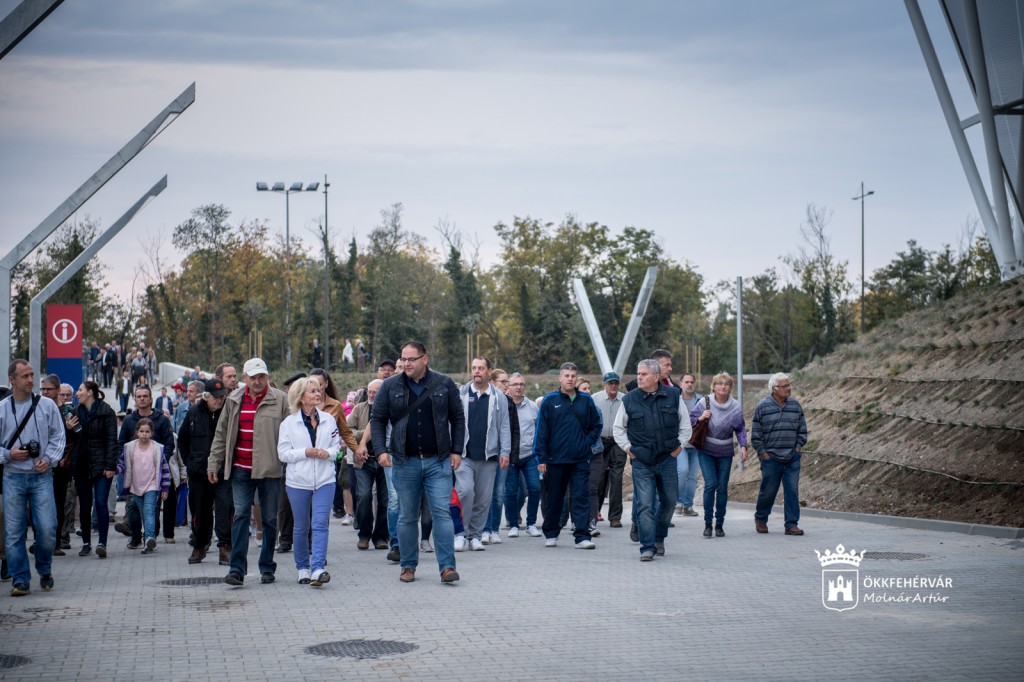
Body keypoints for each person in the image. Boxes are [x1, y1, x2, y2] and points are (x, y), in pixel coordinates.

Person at [369, 341, 464, 584]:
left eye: (411, 359)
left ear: (425, 359)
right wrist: (380, 450)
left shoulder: (444, 383)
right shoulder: (390, 386)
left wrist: (457, 450)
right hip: (404, 462)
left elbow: (457, 417)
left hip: (438, 461)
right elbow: (377, 419)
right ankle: (408, 566)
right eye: (403, 359)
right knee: (407, 516)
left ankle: (447, 567)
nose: (406, 364)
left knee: (442, 513)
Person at [209, 358, 289, 586]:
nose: (257, 381)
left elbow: (291, 433)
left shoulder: (280, 400)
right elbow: (221, 433)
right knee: (241, 516)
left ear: (267, 376)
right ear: (245, 378)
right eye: (253, 377)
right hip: (240, 470)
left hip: (270, 469)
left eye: (261, 376)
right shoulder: (234, 400)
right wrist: (213, 462)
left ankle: (267, 566)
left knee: (270, 519)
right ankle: (236, 569)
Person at [614, 359, 691, 560]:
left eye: (644, 374)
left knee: (670, 501)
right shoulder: (629, 399)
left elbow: (685, 426)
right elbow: (618, 429)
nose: (639, 377)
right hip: (642, 462)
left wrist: (678, 449)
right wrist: (629, 449)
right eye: (638, 373)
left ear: (656, 377)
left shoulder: (673, 396)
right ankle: (647, 546)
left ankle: (659, 537)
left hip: (667, 459)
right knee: (645, 504)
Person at [0, 360, 65, 596]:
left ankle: (44, 568)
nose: (30, 380)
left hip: (42, 476)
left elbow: (59, 436)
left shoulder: (47, 405)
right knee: (13, 532)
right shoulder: (2, 409)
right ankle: (20, 579)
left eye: (31, 375)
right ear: (12, 380)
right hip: (13, 477)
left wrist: (48, 459)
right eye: (25, 376)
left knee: (47, 528)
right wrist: (9, 454)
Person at [278, 377, 341, 586]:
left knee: (320, 523)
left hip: (325, 480)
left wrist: (328, 453)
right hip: (298, 482)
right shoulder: (289, 423)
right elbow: (283, 454)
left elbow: (337, 446)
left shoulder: (328, 419)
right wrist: (305, 452)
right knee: (302, 526)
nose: (318, 393)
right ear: (300, 397)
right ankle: (303, 568)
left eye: (318, 390)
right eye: (312, 391)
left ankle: (318, 568)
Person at [534, 362, 602, 550]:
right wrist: (541, 458)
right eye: (566, 375)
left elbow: (596, 425)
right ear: (560, 378)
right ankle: (551, 533)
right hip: (555, 459)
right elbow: (541, 431)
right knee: (555, 498)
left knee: (581, 497)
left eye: (573, 376)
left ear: (576, 377)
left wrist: (587, 443)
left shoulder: (586, 401)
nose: (570, 379)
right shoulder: (549, 400)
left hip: (580, 459)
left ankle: (582, 536)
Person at [454, 357, 510, 551]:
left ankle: (475, 536)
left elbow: (504, 425)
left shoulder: (498, 397)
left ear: (488, 371)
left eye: (480, 368)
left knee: (483, 499)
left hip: (489, 456)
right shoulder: (461, 394)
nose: (476, 371)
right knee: (465, 492)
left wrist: (505, 451)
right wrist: (452, 450)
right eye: (474, 368)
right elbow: (452, 422)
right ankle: (460, 534)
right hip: (464, 455)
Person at [117, 385, 178, 545]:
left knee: (152, 507)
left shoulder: (162, 419)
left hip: (154, 474)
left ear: (151, 399)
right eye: (139, 396)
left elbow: (169, 443)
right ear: (135, 399)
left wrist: (161, 461)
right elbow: (121, 443)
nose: (142, 399)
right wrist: (122, 463)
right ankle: (136, 537)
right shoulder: (129, 420)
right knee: (133, 507)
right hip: (134, 474)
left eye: (145, 396)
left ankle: (151, 536)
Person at [690, 372, 748, 538]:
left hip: (725, 451)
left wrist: (743, 446)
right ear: (714, 386)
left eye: (726, 384)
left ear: (730, 387)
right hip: (706, 449)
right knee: (711, 484)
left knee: (722, 487)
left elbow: (740, 428)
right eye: (719, 383)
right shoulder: (704, 402)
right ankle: (708, 524)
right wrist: (701, 417)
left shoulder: (735, 406)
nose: (723, 386)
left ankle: (720, 524)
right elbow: (690, 419)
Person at [178, 378, 230, 564]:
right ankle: (199, 546)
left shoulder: (228, 412)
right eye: (216, 397)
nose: (219, 400)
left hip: (223, 472)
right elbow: (182, 439)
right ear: (206, 396)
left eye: (222, 397)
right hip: (199, 473)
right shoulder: (194, 412)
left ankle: (225, 547)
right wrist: (190, 463)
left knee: (225, 510)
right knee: (200, 511)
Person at [753, 373, 808, 536]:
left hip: (792, 458)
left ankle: (791, 524)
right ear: (774, 389)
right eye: (784, 386)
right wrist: (763, 454)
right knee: (768, 491)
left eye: (788, 385)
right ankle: (761, 519)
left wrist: (798, 447)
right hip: (771, 458)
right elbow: (756, 435)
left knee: (792, 490)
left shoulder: (795, 406)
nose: (788, 388)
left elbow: (802, 430)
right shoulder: (763, 406)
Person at [71, 380, 118, 558]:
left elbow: (112, 441)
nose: (77, 393)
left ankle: (102, 543)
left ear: (90, 392)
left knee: (100, 503)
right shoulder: (75, 413)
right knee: (84, 505)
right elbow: (69, 441)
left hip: (101, 466)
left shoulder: (106, 412)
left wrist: (110, 466)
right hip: (81, 465)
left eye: (80, 390)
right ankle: (86, 543)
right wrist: (68, 428)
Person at [117, 418, 170, 554]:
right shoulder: (129, 447)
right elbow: (123, 463)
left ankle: (150, 539)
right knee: (140, 513)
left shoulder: (157, 448)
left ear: (152, 433)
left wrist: (165, 487)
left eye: (147, 431)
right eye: (142, 431)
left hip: (152, 485)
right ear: (137, 432)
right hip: (135, 486)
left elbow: (164, 469)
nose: (144, 434)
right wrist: (116, 469)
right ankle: (145, 538)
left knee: (149, 511)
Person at [348, 379, 389, 551]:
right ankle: (364, 535)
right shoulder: (359, 408)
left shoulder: (389, 408)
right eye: (369, 391)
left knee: (385, 500)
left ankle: (381, 536)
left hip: (385, 460)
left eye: (375, 392)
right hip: (364, 460)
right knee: (363, 496)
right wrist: (365, 434)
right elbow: (348, 431)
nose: (371, 395)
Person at [503, 373, 541, 538]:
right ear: (508, 386)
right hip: (510, 456)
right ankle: (513, 524)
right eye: (515, 384)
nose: (519, 387)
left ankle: (531, 523)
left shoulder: (532, 406)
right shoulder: (503, 405)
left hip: (529, 456)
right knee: (511, 492)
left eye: (521, 384)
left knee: (535, 488)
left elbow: (539, 430)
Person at [592, 371, 626, 529]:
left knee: (616, 479)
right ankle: (594, 513)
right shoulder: (595, 399)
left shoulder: (625, 399)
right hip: (600, 442)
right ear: (604, 384)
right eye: (610, 383)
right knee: (598, 479)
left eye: (616, 383)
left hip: (618, 442)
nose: (613, 386)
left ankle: (615, 517)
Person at [675, 373, 703, 518]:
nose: (689, 384)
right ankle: (678, 503)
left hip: (696, 444)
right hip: (681, 444)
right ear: (681, 384)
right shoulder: (675, 400)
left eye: (692, 382)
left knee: (692, 477)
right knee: (682, 470)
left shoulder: (701, 400)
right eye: (686, 382)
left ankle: (688, 506)